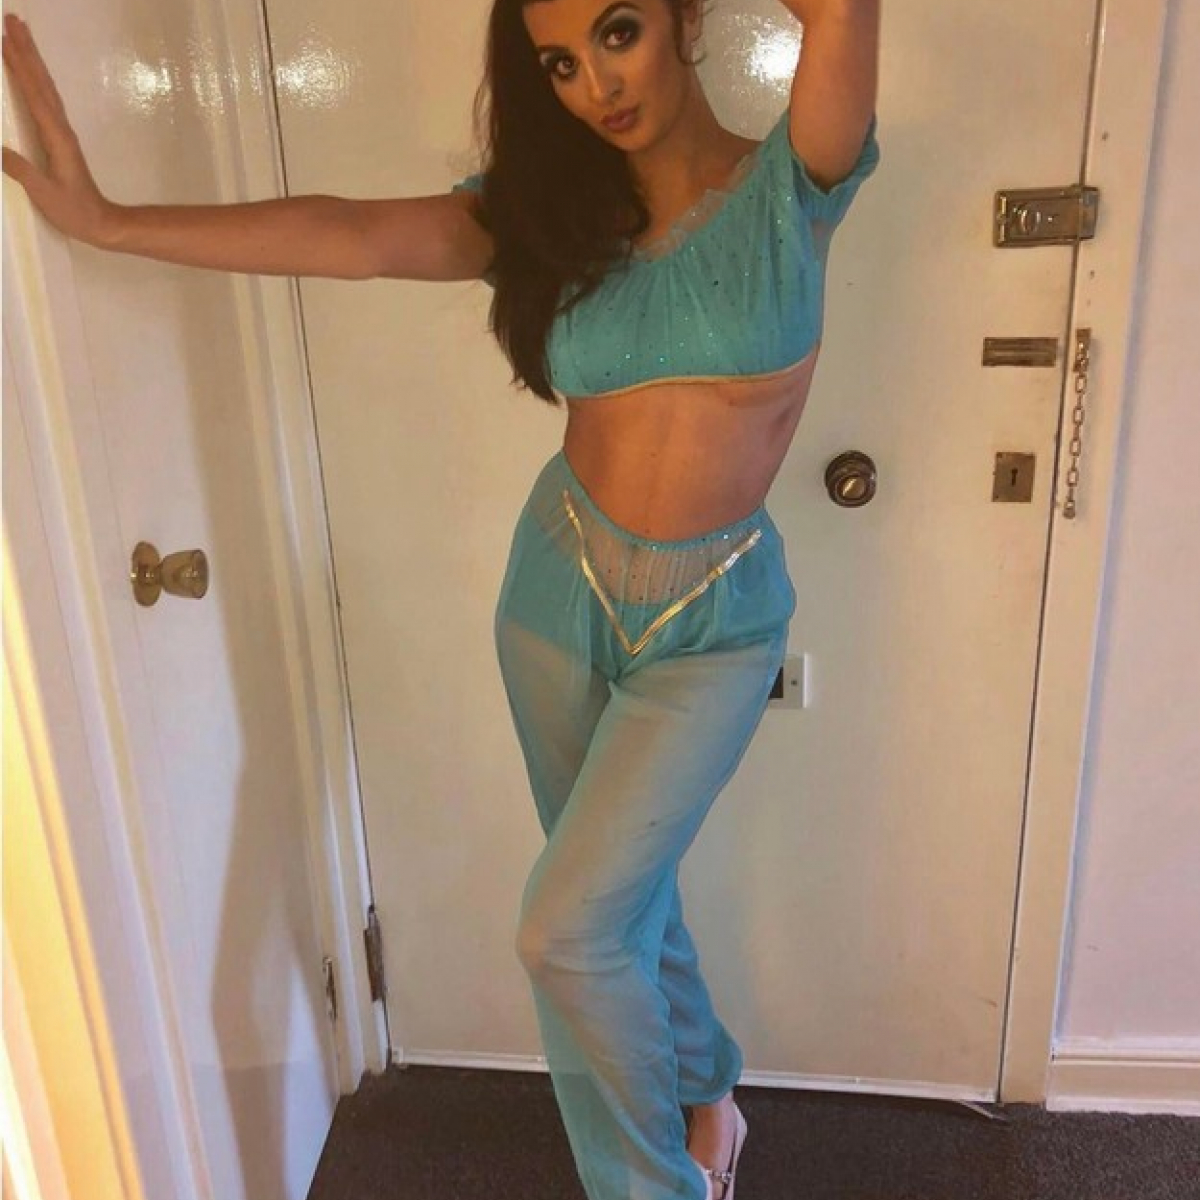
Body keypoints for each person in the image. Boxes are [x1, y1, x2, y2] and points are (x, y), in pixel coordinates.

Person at [2, 0, 879, 1196]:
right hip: (559, 592)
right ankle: (707, 1092)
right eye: (558, 62)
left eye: (617, 32)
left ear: (683, 18)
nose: (595, 85)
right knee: (609, 902)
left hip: (715, 623)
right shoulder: (559, 214)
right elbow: (355, 234)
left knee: (569, 929)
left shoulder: (794, 182)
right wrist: (110, 223)